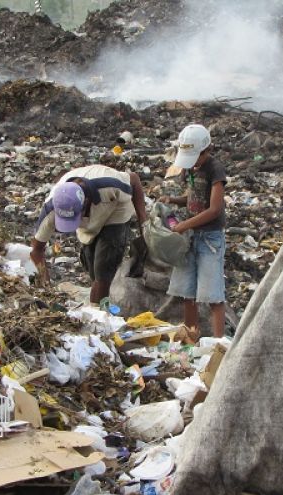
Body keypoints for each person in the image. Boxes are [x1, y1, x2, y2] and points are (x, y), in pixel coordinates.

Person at [30, 164, 147, 304]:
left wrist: (142, 219)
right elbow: (36, 250)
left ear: (85, 203)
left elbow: (133, 179)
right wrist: (46, 286)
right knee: (91, 265)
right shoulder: (52, 207)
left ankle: (98, 312)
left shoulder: (112, 185)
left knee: (104, 267)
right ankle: (102, 298)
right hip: (91, 217)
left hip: (115, 209)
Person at [160, 124, 227, 338]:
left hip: (210, 238)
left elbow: (214, 209)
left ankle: (218, 343)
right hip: (190, 238)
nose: (193, 163)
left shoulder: (215, 169)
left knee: (213, 294)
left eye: (196, 157)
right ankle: (192, 338)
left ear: (206, 150)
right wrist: (173, 200)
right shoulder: (190, 168)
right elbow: (192, 198)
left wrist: (183, 225)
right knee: (186, 292)